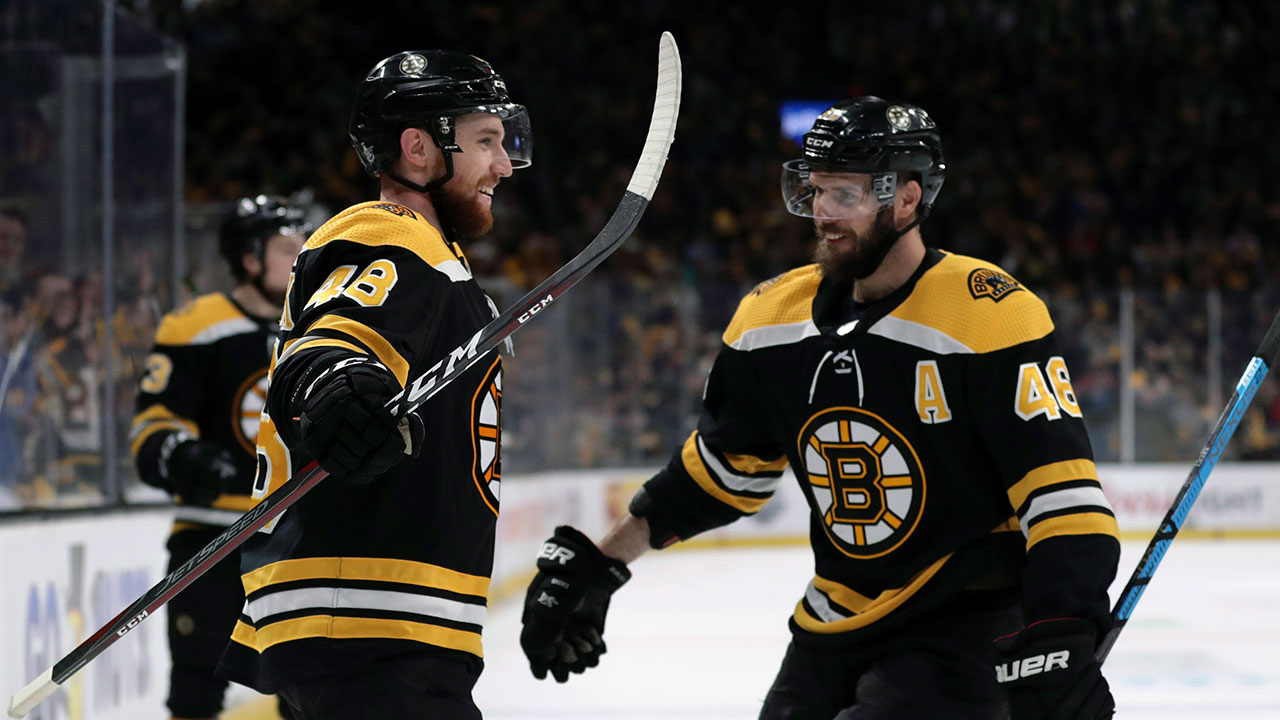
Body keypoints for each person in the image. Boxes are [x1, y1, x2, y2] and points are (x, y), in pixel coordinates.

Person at [520, 97, 1120, 720]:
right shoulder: (768, 320)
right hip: (832, 625)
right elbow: (718, 478)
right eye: (814, 190)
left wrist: (1062, 633)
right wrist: (602, 562)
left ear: (907, 199)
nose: (822, 213)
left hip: (963, 627)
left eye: (845, 194)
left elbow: (1062, 498)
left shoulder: (988, 312)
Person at [216, 50, 531, 720]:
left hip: (368, 623)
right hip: (362, 618)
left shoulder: (439, 263)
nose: (504, 165)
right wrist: (339, 387)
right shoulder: (387, 231)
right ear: (418, 148)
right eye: (486, 141)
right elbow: (331, 344)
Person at [130, 195, 308, 720]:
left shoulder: (321, 325)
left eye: (302, 244)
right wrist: (185, 457)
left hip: (297, 537)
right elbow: (154, 422)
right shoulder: (197, 325)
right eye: (285, 247)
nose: (300, 257)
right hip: (211, 537)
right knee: (195, 688)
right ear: (249, 260)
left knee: (308, 696)